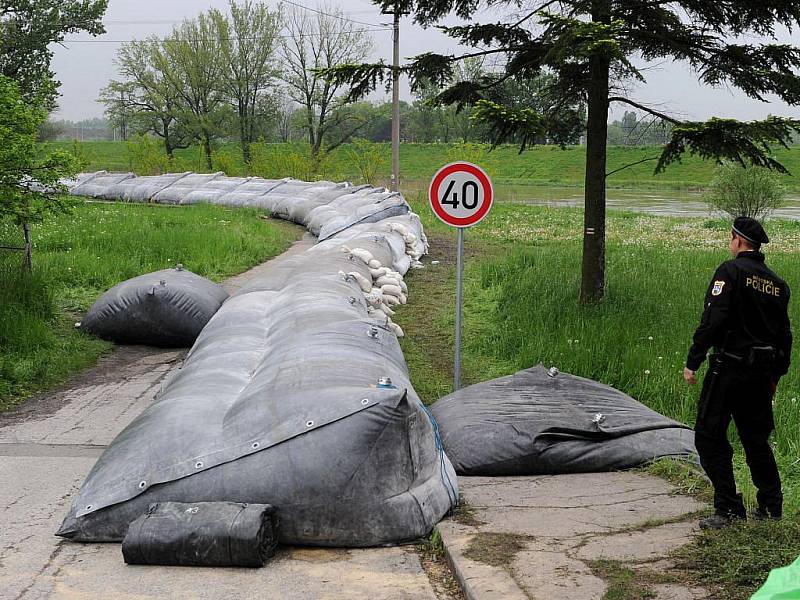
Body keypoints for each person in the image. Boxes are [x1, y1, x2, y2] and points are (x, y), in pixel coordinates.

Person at [683, 216, 792, 530]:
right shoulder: (778, 286)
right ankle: (771, 507)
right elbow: (784, 336)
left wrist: (694, 361)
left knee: (708, 435)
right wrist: (775, 377)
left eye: (731, 238)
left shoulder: (729, 272)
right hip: (760, 375)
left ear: (738, 241)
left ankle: (729, 508)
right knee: (756, 440)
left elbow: (713, 320)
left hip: (728, 368)